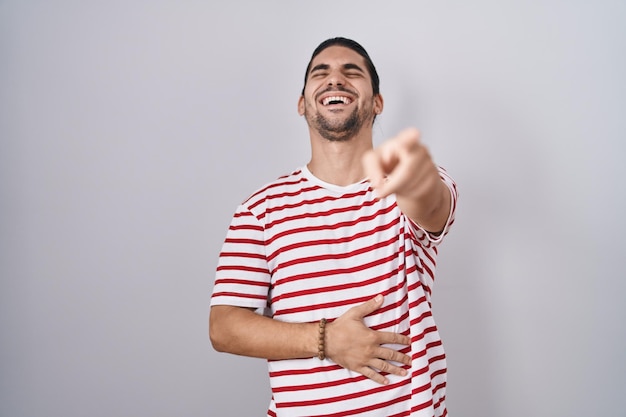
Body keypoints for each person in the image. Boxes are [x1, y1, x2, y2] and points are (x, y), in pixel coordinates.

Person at [209, 37, 458, 417]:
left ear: (377, 102)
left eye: (351, 72)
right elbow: (224, 327)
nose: (335, 79)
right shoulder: (259, 210)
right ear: (302, 102)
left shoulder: (410, 183)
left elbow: (432, 205)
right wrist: (325, 339)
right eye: (320, 73)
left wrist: (416, 182)